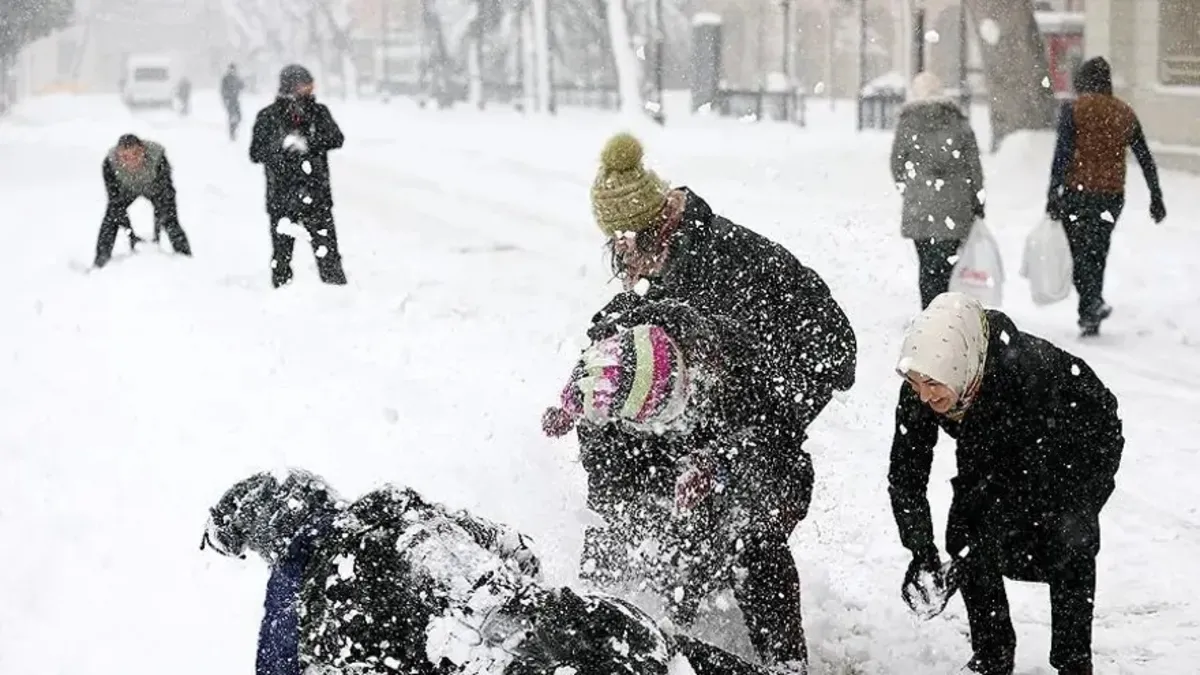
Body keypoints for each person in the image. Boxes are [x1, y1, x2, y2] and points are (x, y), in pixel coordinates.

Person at [201, 469, 779, 675]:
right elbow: (519, 550)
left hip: (511, 665)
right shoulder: (399, 505)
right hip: (587, 624)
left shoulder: (303, 612)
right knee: (664, 655)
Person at [542, 301, 815, 674]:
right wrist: (600, 599)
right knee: (639, 535)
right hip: (652, 453)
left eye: (676, 408)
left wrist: (716, 463)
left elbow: (779, 451)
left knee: (748, 537)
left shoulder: (738, 365)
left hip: (748, 462)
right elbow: (606, 507)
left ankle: (786, 663)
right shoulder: (602, 390)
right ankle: (664, 623)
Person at [887, 292, 1123, 675]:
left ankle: (1073, 661)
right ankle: (993, 655)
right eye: (915, 383)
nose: (924, 395)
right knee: (965, 534)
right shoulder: (926, 378)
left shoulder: (1022, 373)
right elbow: (905, 473)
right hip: (1006, 443)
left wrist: (1076, 506)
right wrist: (921, 550)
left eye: (932, 384)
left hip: (1076, 438)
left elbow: (1003, 479)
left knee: (1067, 540)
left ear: (960, 366)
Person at [1046, 56, 1166, 336]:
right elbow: (1144, 157)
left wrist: (1053, 192)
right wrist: (1155, 195)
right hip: (1111, 196)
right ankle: (1092, 307)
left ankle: (1090, 305)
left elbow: (1062, 155)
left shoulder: (1074, 110)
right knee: (1097, 251)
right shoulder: (1123, 112)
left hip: (1078, 193)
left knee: (1080, 253)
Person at [890, 72, 986, 309]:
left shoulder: (908, 122)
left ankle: (929, 312)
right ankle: (944, 311)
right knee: (946, 266)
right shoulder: (959, 122)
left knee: (926, 265)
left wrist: (911, 188)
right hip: (955, 204)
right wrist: (977, 200)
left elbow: (897, 164)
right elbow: (974, 167)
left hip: (920, 206)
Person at [250, 64, 347, 288]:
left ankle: (339, 299)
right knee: (282, 256)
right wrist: (280, 147)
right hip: (281, 198)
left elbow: (336, 138)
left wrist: (308, 144)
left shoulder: (319, 113)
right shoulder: (268, 116)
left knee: (328, 255)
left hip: (317, 195)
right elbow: (256, 152)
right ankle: (282, 299)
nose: (310, 89)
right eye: (305, 84)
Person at [94, 133, 192, 268]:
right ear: (118, 155)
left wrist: (157, 231)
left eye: (135, 155)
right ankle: (100, 261)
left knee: (170, 219)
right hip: (126, 190)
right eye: (125, 157)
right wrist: (131, 235)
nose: (131, 161)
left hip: (155, 188)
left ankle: (185, 257)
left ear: (143, 150)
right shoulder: (109, 164)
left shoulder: (158, 158)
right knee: (111, 218)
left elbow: (167, 194)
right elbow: (115, 202)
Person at [221, 63, 245, 140]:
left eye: (233, 69)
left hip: (236, 100)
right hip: (229, 100)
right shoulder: (226, 78)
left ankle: (233, 131)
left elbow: (242, 86)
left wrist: (242, 83)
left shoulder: (236, 78)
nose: (232, 71)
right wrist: (225, 99)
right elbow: (223, 90)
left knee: (239, 117)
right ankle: (232, 133)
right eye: (231, 69)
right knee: (232, 117)